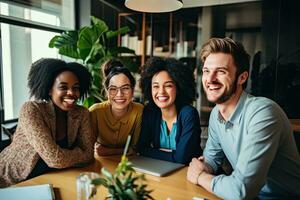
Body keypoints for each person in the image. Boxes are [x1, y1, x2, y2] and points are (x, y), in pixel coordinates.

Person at [187, 37, 300, 199]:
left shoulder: (264, 113)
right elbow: (211, 160)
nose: (210, 79)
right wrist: (202, 167)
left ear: (242, 77)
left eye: (221, 71)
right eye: (206, 71)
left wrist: (200, 177)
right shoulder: (216, 114)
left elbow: (241, 191)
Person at [0, 58, 95, 187]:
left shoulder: (81, 113)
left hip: (52, 178)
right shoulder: (31, 109)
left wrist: (66, 157)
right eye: (63, 87)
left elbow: (89, 155)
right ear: (50, 90)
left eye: (76, 88)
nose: (71, 93)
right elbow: (55, 159)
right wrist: (79, 154)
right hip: (12, 181)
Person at [137, 57, 202, 164]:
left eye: (168, 86)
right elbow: (142, 148)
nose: (161, 92)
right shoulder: (150, 112)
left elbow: (181, 158)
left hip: (188, 173)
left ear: (178, 87)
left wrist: (155, 152)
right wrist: (173, 154)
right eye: (156, 86)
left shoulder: (189, 114)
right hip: (162, 171)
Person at [89, 59, 143, 156]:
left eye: (125, 88)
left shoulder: (139, 111)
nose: (119, 94)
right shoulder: (95, 111)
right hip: (100, 163)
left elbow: (136, 149)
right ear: (106, 91)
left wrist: (108, 151)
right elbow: (88, 147)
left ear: (133, 90)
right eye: (113, 89)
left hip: (130, 164)